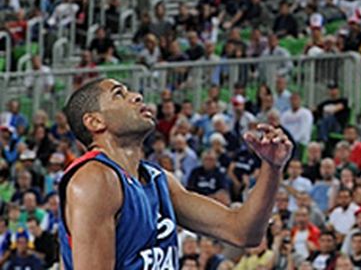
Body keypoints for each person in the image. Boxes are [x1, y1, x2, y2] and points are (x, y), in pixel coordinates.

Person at [58, 79, 292, 269]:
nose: (136, 96)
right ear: (95, 121)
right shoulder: (95, 179)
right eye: (119, 94)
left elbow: (243, 231)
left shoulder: (160, 181)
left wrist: (271, 168)